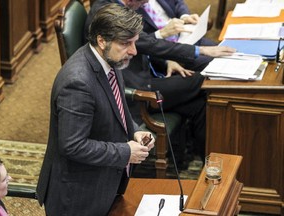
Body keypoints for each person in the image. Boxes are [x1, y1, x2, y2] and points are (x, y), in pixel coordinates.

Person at [36, 4, 155, 216]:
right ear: (102, 40)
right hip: (77, 197)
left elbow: (116, 106)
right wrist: (125, 152)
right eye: (126, 43)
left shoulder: (109, 60)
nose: (134, 51)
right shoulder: (77, 83)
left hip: (104, 182)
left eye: (135, 42)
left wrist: (134, 129)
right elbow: (72, 145)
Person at [85, 0, 236, 163]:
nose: (148, 3)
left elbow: (142, 48)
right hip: (135, 92)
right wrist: (202, 51)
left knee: (199, 104)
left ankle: (207, 161)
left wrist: (166, 62)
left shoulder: (123, 7)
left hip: (147, 74)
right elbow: (147, 44)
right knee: (204, 80)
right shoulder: (107, 12)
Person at [137, 0, 216, 71]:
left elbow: (178, 2)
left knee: (222, 51)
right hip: (162, 52)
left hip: (184, 35)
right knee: (211, 63)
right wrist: (161, 33)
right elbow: (139, 43)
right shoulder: (128, 9)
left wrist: (184, 17)